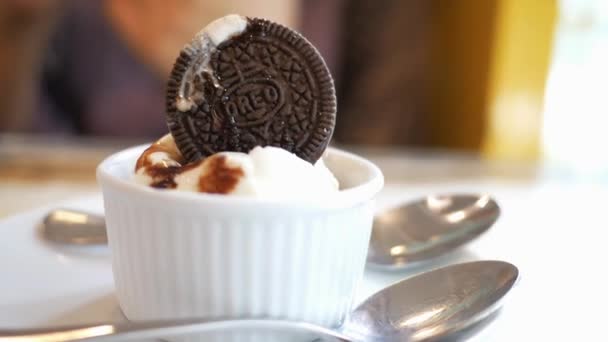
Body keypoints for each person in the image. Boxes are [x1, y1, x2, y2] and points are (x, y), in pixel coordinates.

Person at [0, 0, 431, 146]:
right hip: (97, 241)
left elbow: (374, 154)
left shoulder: (375, 13)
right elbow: (20, 156)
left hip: (286, 238)